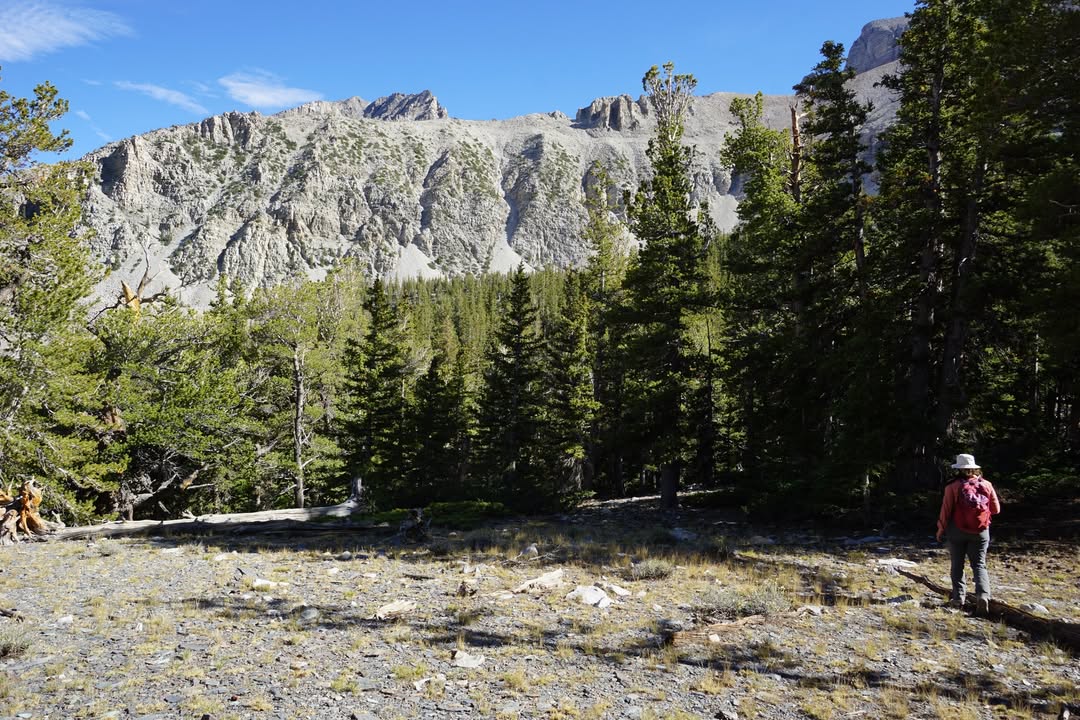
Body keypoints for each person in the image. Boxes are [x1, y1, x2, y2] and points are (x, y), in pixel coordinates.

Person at [936, 453, 1001, 615]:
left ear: (958, 469)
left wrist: (940, 529)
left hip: (957, 530)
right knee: (979, 564)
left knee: (957, 564)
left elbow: (946, 510)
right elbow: (996, 510)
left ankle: (958, 598)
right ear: (974, 468)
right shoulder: (986, 484)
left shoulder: (952, 486)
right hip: (981, 531)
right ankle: (983, 596)